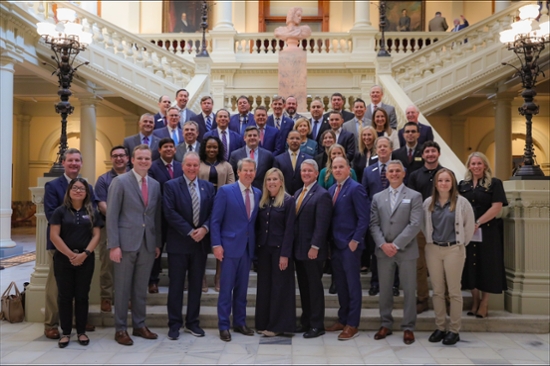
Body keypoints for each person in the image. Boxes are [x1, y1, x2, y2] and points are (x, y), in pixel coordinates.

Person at [107, 145, 162, 346]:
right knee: (122, 289)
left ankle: (139, 325)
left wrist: (156, 243)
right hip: (124, 244)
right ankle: (120, 329)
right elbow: (112, 215)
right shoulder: (119, 182)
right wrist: (114, 245)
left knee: (140, 289)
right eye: (140, 158)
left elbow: (154, 215)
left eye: (147, 159)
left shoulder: (155, 184)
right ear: (132, 159)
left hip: (147, 244)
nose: (144, 162)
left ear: (151, 160)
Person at [44, 148, 97, 339]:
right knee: (56, 288)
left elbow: (93, 211)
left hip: (83, 247)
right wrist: (68, 249)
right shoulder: (53, 186)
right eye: (70, 160)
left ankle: (79, 322)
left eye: (77, 161)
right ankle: (51, 323)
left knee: (81, 288)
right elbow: (51, 215)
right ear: (64, 163)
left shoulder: (87, 187)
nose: (74, 164)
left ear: (81, 164)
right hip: (59, 247)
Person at [163, 152, 216, 340]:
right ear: (182, 166)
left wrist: (204, 228)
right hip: (179, 244)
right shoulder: (171, 186)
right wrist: (189, 230)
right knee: (176, 286)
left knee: (196, 286)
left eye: (195, 165)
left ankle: (193, 323)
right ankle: (174, 324)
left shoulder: (208, 187)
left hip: (200, 244)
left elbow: (213, 212)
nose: (192, 168)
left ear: (199, 166)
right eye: (189, 165)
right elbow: (169, 212)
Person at [370, 160, 423, 345]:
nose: (393, 173)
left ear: (403, 173)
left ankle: (408, 327)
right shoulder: (378, 197)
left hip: (407, 250)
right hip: (383, 251)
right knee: (384, 290)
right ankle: (386, 323)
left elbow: (415, 224)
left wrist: (397, 244)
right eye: (390, 171)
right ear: (386, 174)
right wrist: (383, 244)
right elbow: (374, 224)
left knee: (409, 290)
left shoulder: (415, 196)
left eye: (397, 171)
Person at [211, 158, 262, 342]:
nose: (248, 173)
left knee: (242, 290)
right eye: (245, 170)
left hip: (247, 249)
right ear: (238, 172)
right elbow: (215, 220)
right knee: (226, 290)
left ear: (255, 173)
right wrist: (216, 245)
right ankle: (224, 325)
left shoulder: (257, 192)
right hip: (229, 248)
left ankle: (240, 322)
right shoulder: (225, 191)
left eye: (251, 170)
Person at [423, 168, 475, 346]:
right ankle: (440, 327)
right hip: (433, 250)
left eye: (447, 180)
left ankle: (454, 330)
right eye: (440, 180)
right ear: (435, 183)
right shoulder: (428, 203)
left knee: (454, 291)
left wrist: (460, 244)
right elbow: (424, 226)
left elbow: (469, 228)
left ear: (452, 183)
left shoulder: (462, 203)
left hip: (454, 250)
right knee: (437, 291)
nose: (443, 184)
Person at [49, 178, 102, 348]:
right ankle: (65, 333)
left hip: (86, 259)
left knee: (82, 296)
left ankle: (81, 331)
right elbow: (54, 236)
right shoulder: (60, 211)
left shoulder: (93, 211)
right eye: (75, 188)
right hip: (64, 259)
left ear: (87, 192)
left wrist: (85, 254)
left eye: (82, 188)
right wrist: (71, 255)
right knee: (65, 296)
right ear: (69, 191)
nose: (78, 191)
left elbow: (96, 236)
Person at [459, 152, 507, 319]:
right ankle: (475, 300)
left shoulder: (494, 183)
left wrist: (477, 222)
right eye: (473, 163)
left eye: (479, 163)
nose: (476, 166)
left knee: (487, 266)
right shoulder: (462, 185)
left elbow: (497, 207)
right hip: (468, 233)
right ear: (469, 166)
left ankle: (485, 303)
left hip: (487, 231)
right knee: (470, 265)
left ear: (485, 166)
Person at [325, 157, 369, 340]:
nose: (337, 170)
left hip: (350, 246)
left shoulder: (355, 188)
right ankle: (342, 319)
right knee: (341, 285)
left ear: (349, 169)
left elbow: (364, 217)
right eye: (334, 167)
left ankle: (352, 324)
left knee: (352, 285)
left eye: (341, 166)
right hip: (335, 245)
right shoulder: (331, 189)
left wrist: (355, 240)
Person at [293, 159, 333, 338]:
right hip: (299, 250)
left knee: (314, 289)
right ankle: (306, 320)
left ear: (317, 174)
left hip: (312, 251)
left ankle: (317, 325)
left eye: (310, 171)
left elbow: (322, 224)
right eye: (303, 171)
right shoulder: (297, 193)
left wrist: (315, 246)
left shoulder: (322, 194)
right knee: (304, 287)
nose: (306, 173)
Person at [255, 168, 296, 337]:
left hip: (280, 251)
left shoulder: (288, 201)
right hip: (264, 250)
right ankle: (263, 322)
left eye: (274, 179)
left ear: (281, 182)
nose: (271, 182)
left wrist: (285, 254)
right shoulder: (263, 201)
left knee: (280, 288)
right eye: (268, 179)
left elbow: (290, 230)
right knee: (264, 288)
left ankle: (278, 325)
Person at [361, 137, 400, 297]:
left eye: (385, 146)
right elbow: (364, 195)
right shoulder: (368, 171)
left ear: (391, 149)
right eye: (380, 147)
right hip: (375, 219)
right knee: (376, 252)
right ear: (376, 150)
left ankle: (394, 285)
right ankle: (375, 283)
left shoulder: (397, 169)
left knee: (393, 251)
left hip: (395, 217)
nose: (382, 149)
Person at [408, 141, 444, 314]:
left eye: (433, 151)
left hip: (442, 226)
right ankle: (422, 299)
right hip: (421, 226)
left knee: (442, 265)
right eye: (427, 151)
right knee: (420, 265)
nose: (430, 154)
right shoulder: (415, 175)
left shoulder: (446, 174)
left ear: (438, 154)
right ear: (422, 155)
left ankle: (445, 299)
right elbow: (412, 200)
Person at [199, 136, 235, 292]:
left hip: (222, 206)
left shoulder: (226, 165)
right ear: (204, 148)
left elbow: (232, 186)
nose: (212, 150)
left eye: (215, 147)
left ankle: (218, 276)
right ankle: (202, 277)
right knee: (202, 244)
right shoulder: (198, 164)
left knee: (221, 242)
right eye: (209, 147)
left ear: (219, 148)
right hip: (201, 206)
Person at [95, 146, 129, 313]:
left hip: (131, 228)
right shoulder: (103, 180)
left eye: (122, 155)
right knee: (107, 264)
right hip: (108, 227)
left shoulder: (134, 177)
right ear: (111, 159)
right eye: (115, 156)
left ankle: (125, 297)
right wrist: (119, 219)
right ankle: (106, 297)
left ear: (128, 158)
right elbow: (102, 205)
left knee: (128, 264)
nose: (119, 158)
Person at [147, 138, 183, 294]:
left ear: (175, 150)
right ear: (159, 150)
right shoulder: (153, 167)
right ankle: (153, 281)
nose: (169, 149)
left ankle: (178, 279)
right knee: (157, 248)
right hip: (159, 214)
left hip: (178, 214)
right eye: (165, 147)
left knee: (177, 249)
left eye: (171, 147)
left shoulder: (181, 167)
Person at [229, 126, 274, 190]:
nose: (252, 137)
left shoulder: (268, 155)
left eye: (255, 135)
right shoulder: (235, 155)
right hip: (240, 191)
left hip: (262, 193)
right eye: (249, 135)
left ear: (259, 138)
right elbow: (232, 176)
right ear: (244, 138)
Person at [273, 130, 312, 195]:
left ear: (301, 140)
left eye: (297, 138)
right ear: (287, 140)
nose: (294, 141)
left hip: (303, 196)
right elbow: (276, 179)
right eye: (292, 138)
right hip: (283, 197)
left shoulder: (309, 159)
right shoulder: (278, 159)